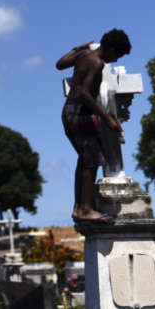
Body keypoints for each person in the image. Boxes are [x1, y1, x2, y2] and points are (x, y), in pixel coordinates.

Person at [56, 28, 132, 223]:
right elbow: (84, 93)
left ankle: (78, 207)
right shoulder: (97, 63)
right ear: (112, 49)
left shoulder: (84, 55)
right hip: (80, 113)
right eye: (118, 55)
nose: (116, 60)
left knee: (85, 159)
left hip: (69, 111)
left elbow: (60, 64)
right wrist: (108, 119)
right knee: (92, 159)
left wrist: (77, 48)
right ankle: (85, 209)